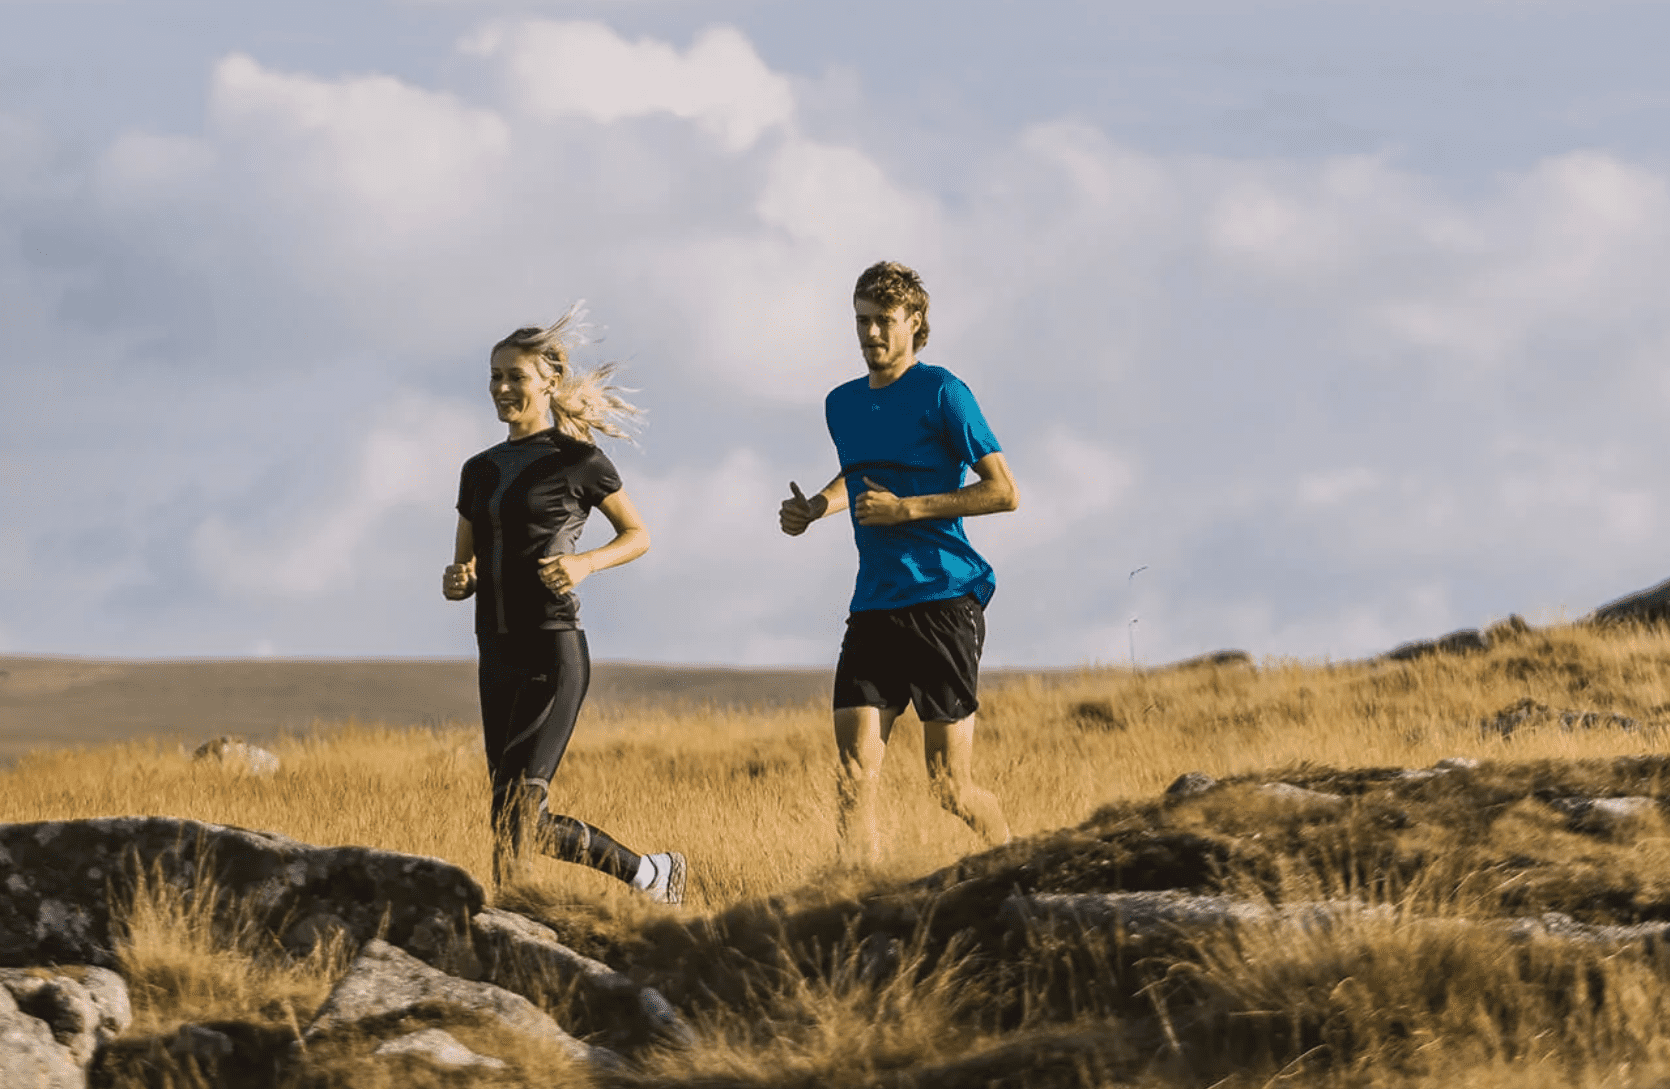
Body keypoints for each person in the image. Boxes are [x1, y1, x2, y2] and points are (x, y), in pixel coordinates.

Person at [779, 261, 1018, 865]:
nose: (871, 334)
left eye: (884, 321)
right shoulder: (842, 404)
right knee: (854, 775)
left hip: (943, 599)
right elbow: (860, 476)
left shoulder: (944, 393)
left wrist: (909, 509)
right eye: (862, 321)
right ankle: (858, 898)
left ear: (914, 322)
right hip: (875, 606)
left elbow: (1003, 492)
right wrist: (817, 507)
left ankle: (1017, 868)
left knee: (949, 787)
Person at [443, 306, 685, 902]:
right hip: (494, 649)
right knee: (505, 816)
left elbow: (639, 535)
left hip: (552, 648)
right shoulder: (478, 471)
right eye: (494, 375)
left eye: (515, 376)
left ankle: (649, 876)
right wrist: (458, 579)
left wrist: (583, 563)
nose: (501, 388)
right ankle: (522, 922)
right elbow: (464, 564)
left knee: (522, 806)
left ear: (548, 381)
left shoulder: (577, 461)